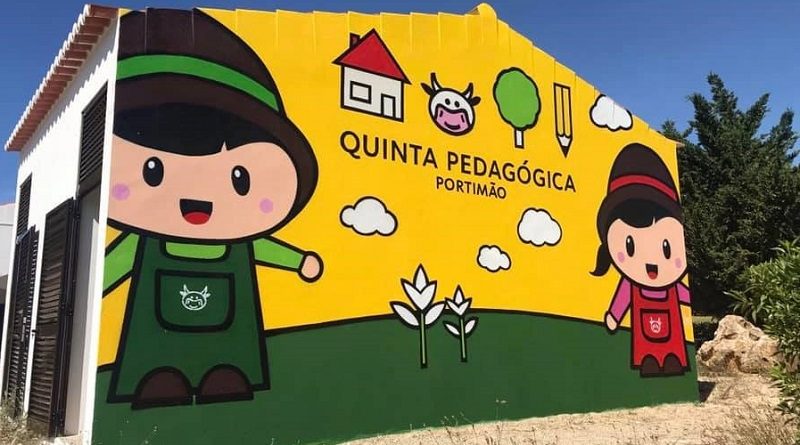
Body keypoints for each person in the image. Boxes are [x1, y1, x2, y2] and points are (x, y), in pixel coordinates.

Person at [103, 8, 322, 409]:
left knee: (229, 370)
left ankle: (227, 373)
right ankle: (158, 375)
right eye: (153, 171)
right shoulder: (143, 242)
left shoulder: (241, 243)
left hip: (228, 337)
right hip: (156, 342)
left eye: (241, 178)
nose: (197, 199)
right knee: (158, 374)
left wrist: (298, 261)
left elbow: (266, 248)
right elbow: (114, 265)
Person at [591, 143, 691, 377]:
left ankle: (672, 362)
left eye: (667, 248)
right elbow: (622, 299)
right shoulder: (631, 285)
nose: (651, 263)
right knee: (648, 354)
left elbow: (684, 295)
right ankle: (650, 362)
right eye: (630, 245)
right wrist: (614, 317)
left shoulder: (673, 286)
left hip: (672, 331)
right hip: (645, 335)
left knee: (673, 351)